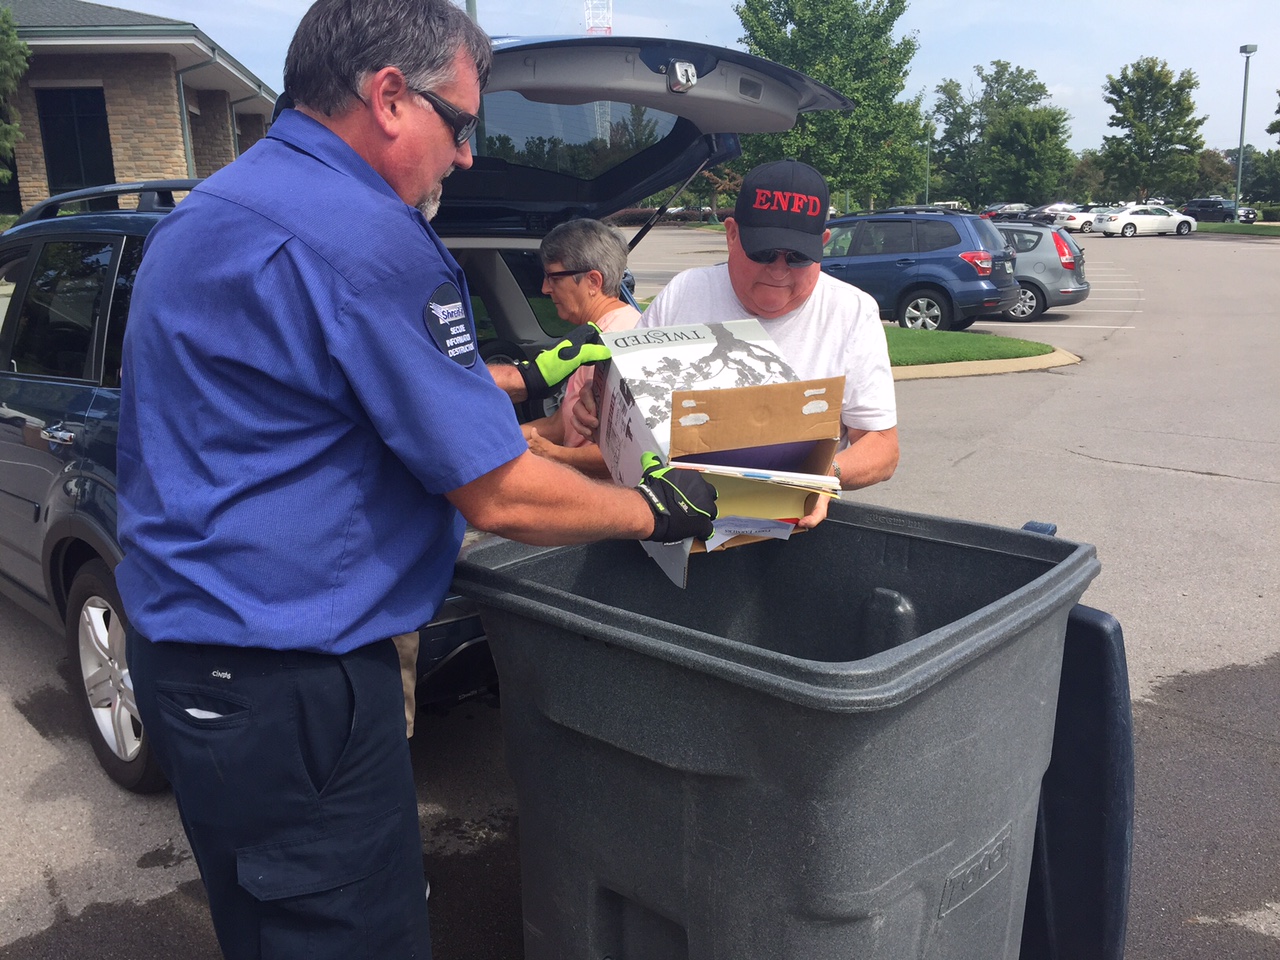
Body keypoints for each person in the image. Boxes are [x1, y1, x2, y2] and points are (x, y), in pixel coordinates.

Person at [113, 3, 716, 959]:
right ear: (389, 97)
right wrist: (657, 508)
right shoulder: (367, 237)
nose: (469, 156)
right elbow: (501, 495)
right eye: (461, 123)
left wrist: (544, 409)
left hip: (195, 673)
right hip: (297, 686)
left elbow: (341, 412)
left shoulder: (213, 211)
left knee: (269, 926)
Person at [572, 159, 899, 492]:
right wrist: (599, 405)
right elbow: (629, 397)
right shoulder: (685, 292)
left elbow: (882, 444)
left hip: (792, 522)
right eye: (764, 253)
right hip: (674, 512)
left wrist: (826, 475)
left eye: (798, 257)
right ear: (731, 235)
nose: (779, 270)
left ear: (823, 244)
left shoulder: (852, 311)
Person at [522, 218, 640, 478]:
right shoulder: (596, 332)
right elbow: (561, 424)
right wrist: (494, 439)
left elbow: (627, 451)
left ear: (593, 282)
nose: (544, 288)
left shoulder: (618, 342)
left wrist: (553, 454)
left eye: (553, 277)